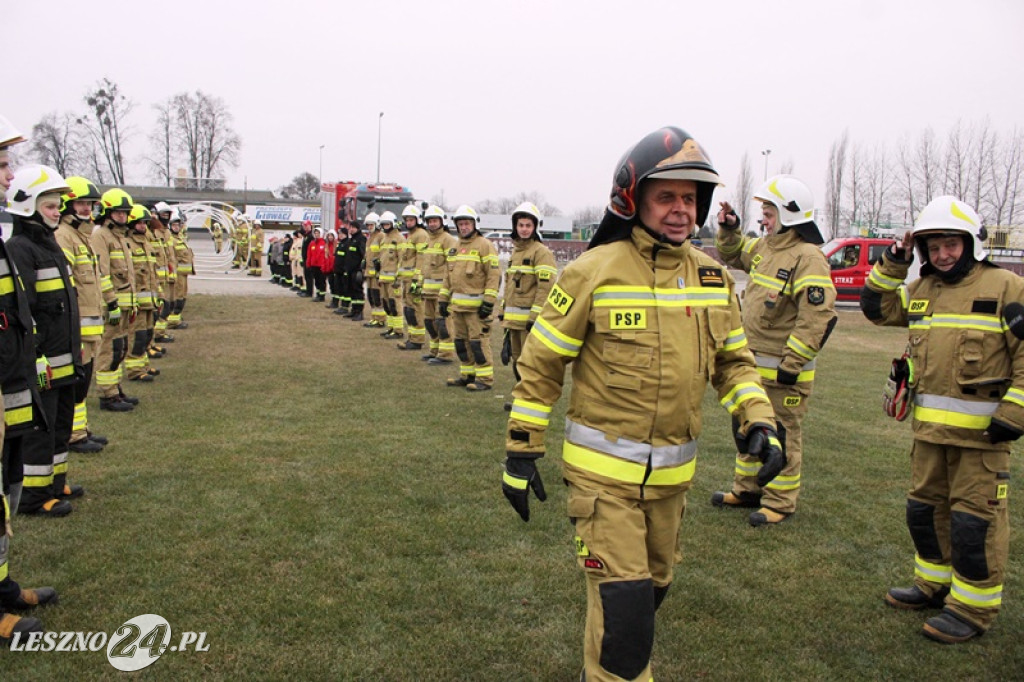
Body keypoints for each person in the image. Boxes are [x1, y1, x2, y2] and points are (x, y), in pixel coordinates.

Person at [501, 127, 783, 681]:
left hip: (671, 487)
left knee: (647, 597)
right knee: (626, 624)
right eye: (666, 196)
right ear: (632, 199)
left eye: (690, 198)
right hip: (602, 486)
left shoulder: (712, 278)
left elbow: (735, 362)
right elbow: (541, 364)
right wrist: (521, 449)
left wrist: (758, 420)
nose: (681, 210)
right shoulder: (592, 271)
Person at [861, 195, 1024, 644]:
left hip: (983, 441)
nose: (943, 255)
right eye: (933, 248)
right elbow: (876, 307)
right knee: (925, 513)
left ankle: (972, 609)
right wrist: (895, 261)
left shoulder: (1007, 287)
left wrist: (1013, 414)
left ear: (971, 243)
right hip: (929, 436)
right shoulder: (922, 289)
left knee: (974, 524)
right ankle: (933, 585)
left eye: (951, 245)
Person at [710, 175, 837, 526]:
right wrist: (730, 228)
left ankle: (780, 502)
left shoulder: (808, 257)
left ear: (788, 214)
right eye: (764, 213)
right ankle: (747, 490)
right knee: (748, 427)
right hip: (753, 369)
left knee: (783, 435)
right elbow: (733, 252)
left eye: (769, 213)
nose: (763, 220)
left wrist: (792, 364)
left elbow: (816, 316)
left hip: (784, 374)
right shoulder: (765, 248)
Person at [0, 117, 58, 644]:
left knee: (3, 489)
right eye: (1, 166)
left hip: (9, 378)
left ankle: (2, 589)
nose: (7, 175)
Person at [5, 165, 86, 516]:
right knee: (42, 428)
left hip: (63, 359)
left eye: (57, 206)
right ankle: (34, 497)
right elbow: (24, 309)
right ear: (28, 207)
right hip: (43, 364)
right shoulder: (21, 249)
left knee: (61, 424)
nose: (57, 213)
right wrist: (35, 355)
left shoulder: (50, 245)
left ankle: (55, 483)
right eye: (50, 206)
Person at [55, 177, 107, 454]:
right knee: (77, 384)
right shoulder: (64, 236)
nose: (87, 208)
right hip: (77, 326)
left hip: (90, 326)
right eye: (81, 203)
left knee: (84, 382)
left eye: (89, 204)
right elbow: (67, 286)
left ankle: (81, 429)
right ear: (67, 204)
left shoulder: (82, 236)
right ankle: (74, 435)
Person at [499, 201, 557, 407]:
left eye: (528, 225)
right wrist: (503, 311)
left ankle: (532, 400)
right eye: (521, 225)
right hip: (514, 322)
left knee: (530, 363)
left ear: (535, 227)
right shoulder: (515, 253)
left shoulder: (541, 253)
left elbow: (545, 288)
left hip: (529, 323)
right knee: (517, 361)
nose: (524, 229)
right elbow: (510, 286)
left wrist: (535, 317)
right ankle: (521, 398)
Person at [438, 205, 499, 391]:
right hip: (458, 309)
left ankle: (485, 379)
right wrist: (443, 299)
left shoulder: (485, 245)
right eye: (461, 224)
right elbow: (448, 277)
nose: (464, 227)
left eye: (467, 223)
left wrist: (488, 302)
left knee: (478, 344)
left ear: (474, 224)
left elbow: (493, 276)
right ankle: (467, 376)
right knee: (461, 344)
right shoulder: (455, 248)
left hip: (476, 310)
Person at [91, 188, 138, 411]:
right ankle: (107, 395)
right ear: (107, 213)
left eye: (125, 213)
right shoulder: (100, 235)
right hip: (112, 306)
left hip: (125, 305)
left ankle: (116, 389)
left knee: (120, 348)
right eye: (118, 212)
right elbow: (102, 273)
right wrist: (111, 302)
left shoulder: (121, 237)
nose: (122, 216)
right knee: (109, 349)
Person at [123, 205, 160, 382]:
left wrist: (158, 295)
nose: (143, 226)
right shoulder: (127, 244)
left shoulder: (147, 243)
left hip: (150, 300)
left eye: (145, 223)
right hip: (137, 301)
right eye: (139, 223)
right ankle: (134, 371)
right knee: (136, 337)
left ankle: (143, 365)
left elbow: (153, 273)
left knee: (146, 335)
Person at [421, 205, 458, 363]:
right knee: (430, 322)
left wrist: (448, 291)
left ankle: (445, 354)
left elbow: (452, 267)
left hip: (441, 293)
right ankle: (434, 351)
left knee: (443, 323)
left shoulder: (448, 240)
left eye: (435, 221)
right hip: (428, 292)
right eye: (430, 221)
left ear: (442, 221)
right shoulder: (428, 240)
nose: (432, 224)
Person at [397, 205, 428, 351]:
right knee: (409, 310)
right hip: (407, 280)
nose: (408, 223)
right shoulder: (411, 236)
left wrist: (417, 279)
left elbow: (422, 258)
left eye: (411, 220)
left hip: (414, 281)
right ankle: (412, 337)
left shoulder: (421, 235)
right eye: (407, 220)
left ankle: (417, 340)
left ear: (418, 220)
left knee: (416, 310)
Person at [377, 211, 406, 339]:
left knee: (395, 304)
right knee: (387, 305)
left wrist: (398, 278)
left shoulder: (399, 239)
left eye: (387, 224)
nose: (385, 226)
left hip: (394, 280)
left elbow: (402, 260)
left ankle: (398, 330)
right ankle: (391, 328)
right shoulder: (384, 238)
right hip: (383, 278)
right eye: (384, 224)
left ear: (393, 224)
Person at [166, 211, 193, 329]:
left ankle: (176, 318)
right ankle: (173, 321)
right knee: (177, 298)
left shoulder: (179, 238)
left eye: (178, 225)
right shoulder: (171, 240)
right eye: (174, 225)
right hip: (177, 275)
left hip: (183, 274)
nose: (177, 227)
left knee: (182, 297)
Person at [362, 213, 386, 328]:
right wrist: (364, 262)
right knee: (371, 297)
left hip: (377, 273)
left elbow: (383, 253)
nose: (369, 227)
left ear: (377, 224)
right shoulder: (369, 238)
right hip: (369, 273)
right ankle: (374, 317)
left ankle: (380, 320)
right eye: (368, 225)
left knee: (377, 297)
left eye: (371, 225)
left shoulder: (381, 236)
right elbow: (368, 253)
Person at [339, 221, 367, 320]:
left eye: (353, 227)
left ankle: (359, 312)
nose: (351, 229)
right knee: (351, 291)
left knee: (358, 291)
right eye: (350, 227)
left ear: (357, 228)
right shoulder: (351, 240)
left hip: (357, 271)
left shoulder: (361, 239)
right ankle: (354, 310)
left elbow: (364, 255)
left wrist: (361, 270)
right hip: (350, 271)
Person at [305, 227, 328, 302]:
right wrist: (308, 263)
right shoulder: (312, 243)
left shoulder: (324, 243)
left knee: (322, 281)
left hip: (321, 266)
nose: (316, 234)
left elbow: (326, 255)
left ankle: (322, 296)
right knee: (317, 281)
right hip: (314, 265)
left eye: (318, 233)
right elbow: (309, 254)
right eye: (315, 233)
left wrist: (324, 265)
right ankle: (318, 294)